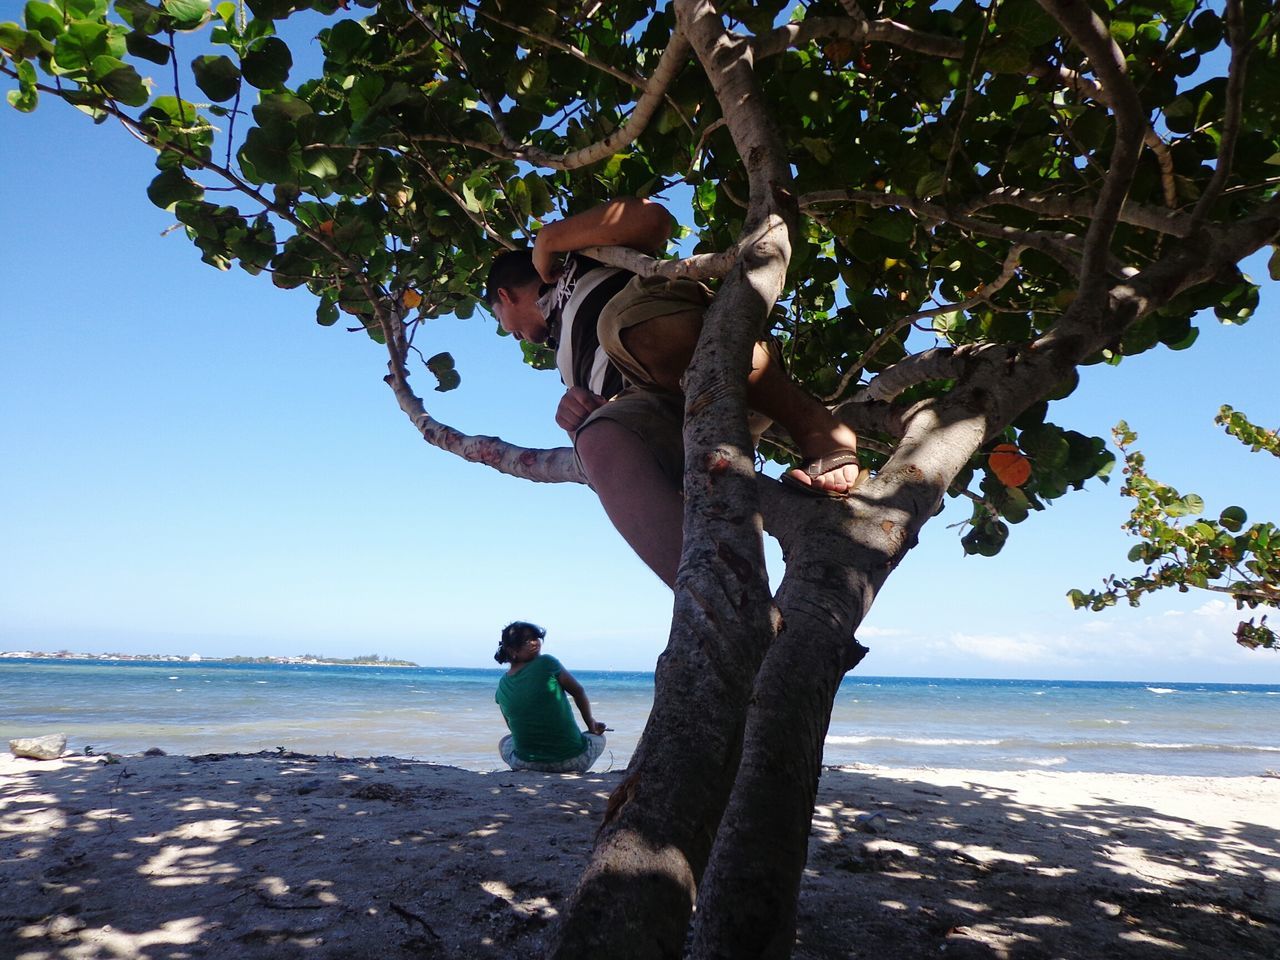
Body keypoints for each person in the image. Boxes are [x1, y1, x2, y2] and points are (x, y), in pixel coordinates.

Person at [485, 197, 863, 587]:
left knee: (621, 323)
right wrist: (578, 415)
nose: (509, 333)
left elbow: (653, 219)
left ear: (506, 296)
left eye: (501, 320)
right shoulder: (562, 344)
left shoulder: (574, 262)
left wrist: (549, 240)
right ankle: (717, 596)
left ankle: (815, 427)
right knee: (598, 440)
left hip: (706, 350)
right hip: (663, 410)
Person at [494, 621, 607, 773]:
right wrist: (591, 724)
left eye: (536, 638)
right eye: (527, 640)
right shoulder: (547, 662)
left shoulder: (502, 685)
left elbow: (513, 728)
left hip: (525, 764)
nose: (535, 642)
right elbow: (578, 691)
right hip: (572, 762)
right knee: (598, 738)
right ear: (511, 650)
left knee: (505, 741)